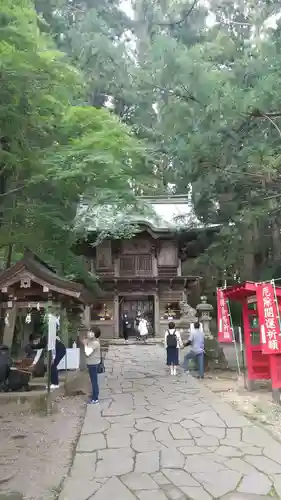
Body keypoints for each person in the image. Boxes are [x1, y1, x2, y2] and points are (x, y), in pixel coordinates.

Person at [83, 327, 101, 404]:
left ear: (95, 334)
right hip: (90, 363)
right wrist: (86, 341)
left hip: (93, 363)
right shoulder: (91, 341)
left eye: (91, 332)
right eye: (89, 331)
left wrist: (84, 344)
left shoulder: (95, 343)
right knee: (92, 380)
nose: (89, 333)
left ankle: (95, 398)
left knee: (94, 381)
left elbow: (87, 352)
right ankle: (94, 395)